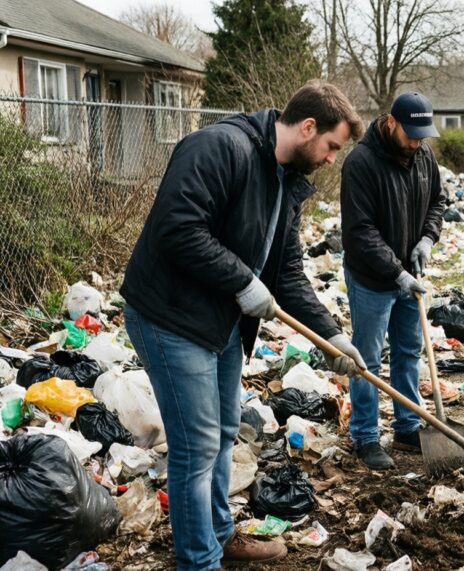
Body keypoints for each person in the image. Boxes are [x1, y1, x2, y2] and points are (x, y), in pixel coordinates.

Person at [120, 80, 366, 570]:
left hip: (220, 317)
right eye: (331, 147)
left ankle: (215, 533)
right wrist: (241, 280)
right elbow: (178, 226)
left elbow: (289, 273)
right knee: (197, 443)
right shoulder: (218, 147)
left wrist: (332, 333)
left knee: (225, 429)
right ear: (308, 127)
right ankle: (199, 561)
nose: (331, 159)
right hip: (169, 314)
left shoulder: (285, 183)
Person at [341, 92, 445, 470]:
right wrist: (395, 272)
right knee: (366, 360)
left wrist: (427, 240)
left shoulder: (424, 156)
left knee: (408, 352)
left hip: (410, 275)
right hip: (372, 279)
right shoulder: (361, 163)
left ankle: (407, 427)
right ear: (390, 123)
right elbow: (359, 232)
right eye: (411, 133)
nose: (417, 141)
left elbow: (438, 201)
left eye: (423, 135)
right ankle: (366, 437)